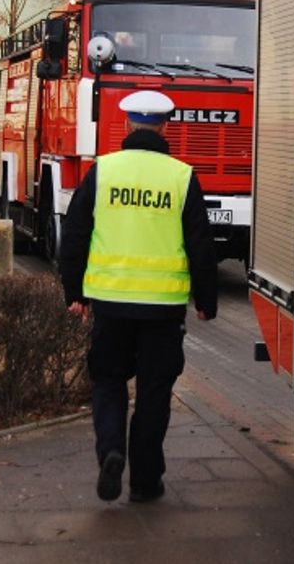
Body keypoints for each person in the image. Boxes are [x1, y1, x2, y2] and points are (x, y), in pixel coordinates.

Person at [60, 89, 217, 504]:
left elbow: (74, 232)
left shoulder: (103, 171)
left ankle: (111, 450)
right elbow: (200, 243)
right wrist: (206, 299)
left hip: (110, 304)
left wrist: (73, 290)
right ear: (165, 126)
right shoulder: (182, 176)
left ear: (128, 125)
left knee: (109, 380)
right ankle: (146, 482)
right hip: (164, 309)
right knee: (154, 392)